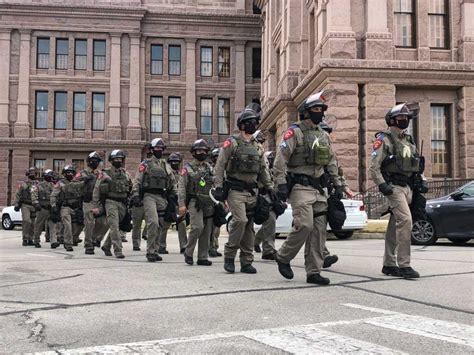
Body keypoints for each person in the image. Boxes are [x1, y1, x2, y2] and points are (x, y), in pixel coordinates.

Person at [273, 91, 343, 285]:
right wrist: (279, 184)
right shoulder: (294, 132)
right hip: (300, 187)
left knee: (319, 232)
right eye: (315, 109)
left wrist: (337, 184)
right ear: (306, 112)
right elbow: (281, 159)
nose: (319, 113)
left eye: (321, 109)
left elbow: (331, 161)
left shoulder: (323, 135)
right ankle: (283, 256)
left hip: (319, 189)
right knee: (304, 225)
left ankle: (313, 271)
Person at [213, 103, 273, 274]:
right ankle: (229, 256)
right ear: (241, 125)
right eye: (249, 122)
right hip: (235, 190)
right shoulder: (232, 143)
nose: (252, 124)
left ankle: (246, 261)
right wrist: (218, 186)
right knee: (240, 220)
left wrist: (269, 188)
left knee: (249, 227)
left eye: (254, 121)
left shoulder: (257, 146)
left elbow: (263, 169)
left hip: (252, 192)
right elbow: (220, 165)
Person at [369, 103, 426, 279]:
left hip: (409, 186)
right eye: (401, 118)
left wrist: (421, 181)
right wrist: (382, 185)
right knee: (406, 221)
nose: (405, 121)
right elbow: (374, 167)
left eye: (407, 118)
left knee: (395, 226)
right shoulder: (384, 140)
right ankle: (404, 265)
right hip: (394, 187)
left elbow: (415, 163)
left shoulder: (408, 140)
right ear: (392, 120)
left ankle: (388, 264)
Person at [130, 139, 177, 262]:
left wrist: (175, 197)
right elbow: (138, 180)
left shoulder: (165, 165)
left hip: (162, 197)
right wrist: (135, 194)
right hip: (149, 196)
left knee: (160, 225)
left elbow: (172, 182)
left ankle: (155, 250)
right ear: (151, 150)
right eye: (157, 148)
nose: (159, 150)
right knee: (153, 223)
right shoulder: (145, 164)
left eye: (161, 148)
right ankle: (150, 251)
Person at [178, 139, 214, 266]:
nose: (201, 153)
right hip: (194, 201)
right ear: (193, 152)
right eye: (198, 150)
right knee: (198, 227)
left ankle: (202, 257)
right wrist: (182, 204)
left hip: (208, 202)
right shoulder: (187, 169)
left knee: (207, 230)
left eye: (204, 151)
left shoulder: (209, 168)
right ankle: (188, 251)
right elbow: (181, 187)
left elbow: (215, 184)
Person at [92, 150, 133, 259]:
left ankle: (106, 246)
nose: (118, 161)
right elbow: (96, 189)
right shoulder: (105, 173)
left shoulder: (125, 174)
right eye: (116, 159)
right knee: (114, 226)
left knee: (117, 227)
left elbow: (130, 188)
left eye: (120, 159)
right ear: (111, 160)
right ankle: (118, 250)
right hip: (111, 202)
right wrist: (95, 206)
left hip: (123, 203)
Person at [77, 151, 108, 255]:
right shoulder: (83, 173)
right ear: (88, 162)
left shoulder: (102, 173)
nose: (94, 162)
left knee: (103, 223)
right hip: (87, 200)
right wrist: (84, 181)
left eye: (96, 161)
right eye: (91, 161)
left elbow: (110, 181)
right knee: (90, 223)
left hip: (99, 202)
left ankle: (96, 239)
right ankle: (88, 245)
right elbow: (73, 185)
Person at [158, 152, 188, 254]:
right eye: (173, 162)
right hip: (168, 200)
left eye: (177, 162)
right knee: (165, 223)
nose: (174, 164)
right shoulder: (166, 173)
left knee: (182, 223)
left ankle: (184, 246)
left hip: (179, 201)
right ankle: (161, 246)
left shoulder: (181, 175)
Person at [50, 165, 85, 252]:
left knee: (80, 225)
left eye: (71, 172)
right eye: (67, 172)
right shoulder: (60, 183)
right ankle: (68, 243)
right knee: (68, 225)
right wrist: (53, 206)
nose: (69, 174)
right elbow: (53, 195)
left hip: (76, 207)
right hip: (65, 207)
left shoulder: (77, 183)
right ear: (64, 174)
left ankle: (74, 238)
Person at [254, 150, 278, 260]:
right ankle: (267, 249)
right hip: (260, 196)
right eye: (269, 159)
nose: (271, 161)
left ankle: (262, 245)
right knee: (269, 220)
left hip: (271, 197)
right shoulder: (260, 167)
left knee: (269, 222)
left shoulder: (274, 170)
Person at [30, 169, 55, 248]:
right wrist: (36, 203)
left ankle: (53, 241)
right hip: (42, 209)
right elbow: (33, 195)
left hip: (51, 208)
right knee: (39, 225)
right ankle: (36, 240)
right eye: (50, 176)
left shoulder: (54, 185)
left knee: (52, 225)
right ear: (46, 176)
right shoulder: (38, 186)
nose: (51, 178)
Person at [14, 167, 39, 246]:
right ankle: (25, 239)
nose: (33, 174)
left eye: (34, 173)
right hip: (25, 205)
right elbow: (18, 194)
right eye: (31, 173)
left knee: (33, 223)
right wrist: (16, 204)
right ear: (28, 174)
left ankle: (30, 239)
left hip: (34, 205)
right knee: (26, 221)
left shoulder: (37, 184)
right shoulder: (23, 184)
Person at [208, 148, 222, 257]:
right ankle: (210, 247)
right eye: (216, 157)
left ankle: (215, 246)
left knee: (217, 226)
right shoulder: (209, 169)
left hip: (220, 200)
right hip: (210, 198)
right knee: (210, 226)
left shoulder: (224, 170)